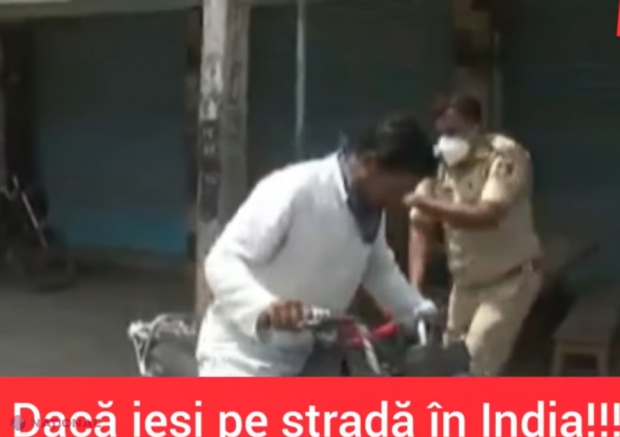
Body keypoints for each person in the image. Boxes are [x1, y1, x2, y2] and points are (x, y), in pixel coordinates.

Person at [197, 113, 438, 376]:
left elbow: (379, 271)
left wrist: (420, 312)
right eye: (396, 190)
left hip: (311, 353)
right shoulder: (296, 188)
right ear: (368, 164)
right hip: (242, 355)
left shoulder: (369, 208)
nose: (400, 201)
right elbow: (222, 260)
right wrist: (265, 306)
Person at [406, 93, 542, 376]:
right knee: (448, 365)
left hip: (509, 281)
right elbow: (420, 226)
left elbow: (488, 215)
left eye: (454, 132)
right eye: (442, 133)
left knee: (474, 367)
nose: (446, 141)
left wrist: (426, 204)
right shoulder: (438, 165)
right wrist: (414, 290)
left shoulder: (504, 155)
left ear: (476, 127)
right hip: (465, 285)